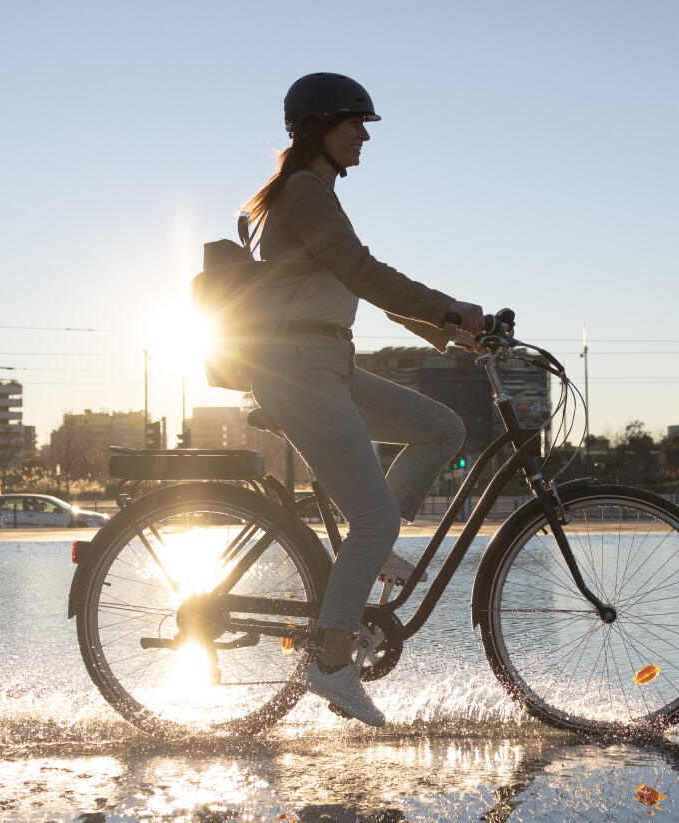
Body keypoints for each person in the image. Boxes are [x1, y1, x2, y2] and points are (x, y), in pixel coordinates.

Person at [240, 72, 485, 726]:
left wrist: (454, 335)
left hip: (330, 362)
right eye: (356, 123)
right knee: (376, 516)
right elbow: (367, 273)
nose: (365, 135)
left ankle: (371, 548)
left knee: (442, 428)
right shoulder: (304, 192)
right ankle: (330, 663)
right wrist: (452, 309)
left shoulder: (313, 192)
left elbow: (362, 283)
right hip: (298, 369)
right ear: (321, 127)